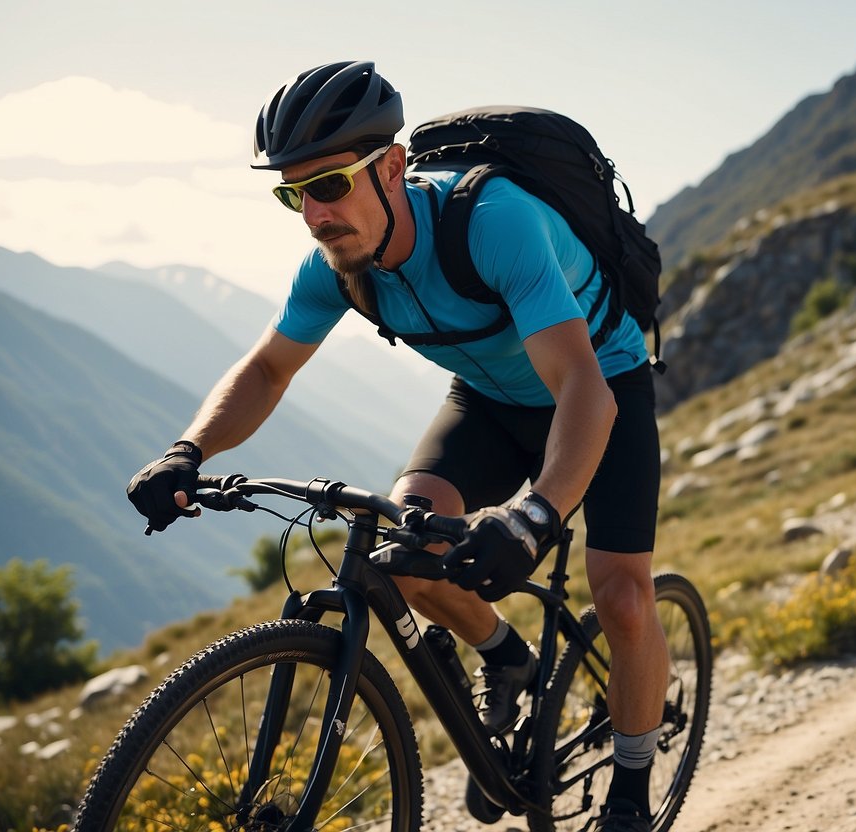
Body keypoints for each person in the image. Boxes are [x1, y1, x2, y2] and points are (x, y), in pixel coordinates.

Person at [127, 60, 667, 832]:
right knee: (404, 556)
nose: (312, 214)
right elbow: (269, 369)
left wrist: (534, 515)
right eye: (292, 193)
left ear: (390, 168)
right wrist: (187, 451)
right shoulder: (338, 268)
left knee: (619, 595)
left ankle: (632, 786)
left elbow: (580, 385)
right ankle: (508, 655)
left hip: (599, 389)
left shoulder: (494, 222)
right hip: (485, 402)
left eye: (329, 185)